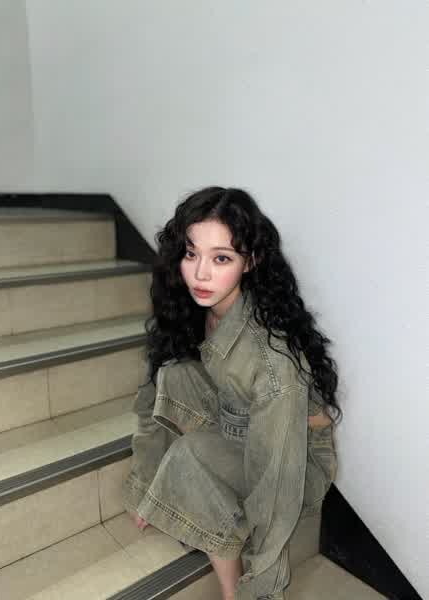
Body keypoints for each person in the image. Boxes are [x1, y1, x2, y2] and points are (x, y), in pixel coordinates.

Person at [122, 186, 341, 600]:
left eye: (221, 258)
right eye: (191, 254)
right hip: (237, 418)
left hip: (296, 458)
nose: (200, 274)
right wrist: (146, 481)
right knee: (171, 373)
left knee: (189, 455)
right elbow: (151, 401)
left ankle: (230, 590)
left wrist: (261, 589)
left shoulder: (272, 360)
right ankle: (201, 491)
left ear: (250, 261)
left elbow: (276, 490)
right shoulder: (195, 307)